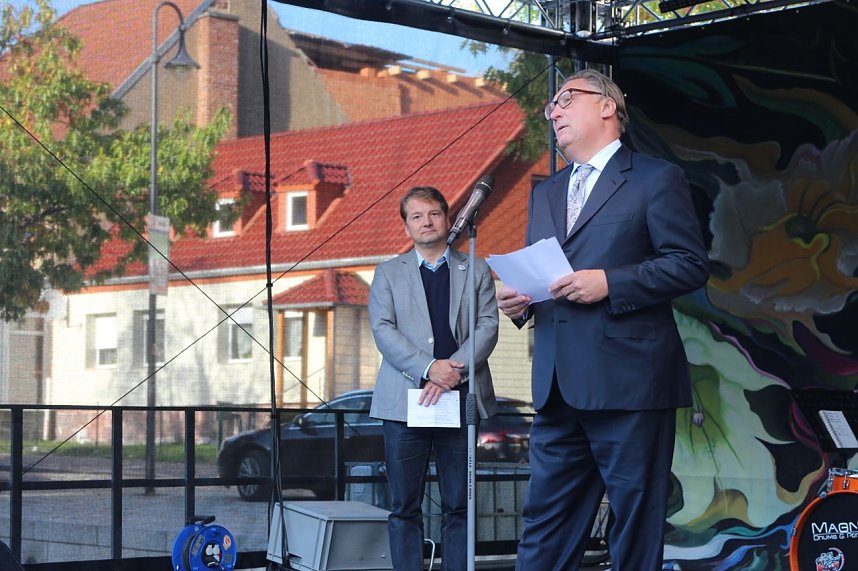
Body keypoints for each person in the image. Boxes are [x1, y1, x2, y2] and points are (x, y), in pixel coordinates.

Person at [496, 69, 709, 570]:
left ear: (609, 107)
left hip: (631, 383)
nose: (555, 112)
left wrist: (610, 282)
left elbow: (689, 263)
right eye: (551, 108)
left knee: (634, 526)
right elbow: (547, 272)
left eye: (566, 99)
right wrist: (522, 302)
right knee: (544, 528)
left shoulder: (656, 178)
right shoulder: (544, 193)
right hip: (555, 386)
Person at [369, 185, 499, 571]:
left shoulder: (475, 267)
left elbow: (488, 326)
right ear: (406, 226)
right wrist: (429, 368)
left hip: (460, 401)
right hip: (403, 405)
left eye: (434, 214)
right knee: (404, 505)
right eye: (416, 216)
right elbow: (383, 330)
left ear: (447, 218)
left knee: (460, 504)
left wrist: (450, 372)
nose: (426, 222)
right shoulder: (388, 273)